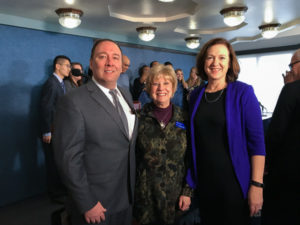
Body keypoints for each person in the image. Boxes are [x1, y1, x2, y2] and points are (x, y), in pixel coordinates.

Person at [53, 39, 138, 225]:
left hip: (126, 196)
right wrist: (87, 202)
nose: (110, 62)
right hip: (96, 204)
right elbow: (68, 158)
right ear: (91, 64)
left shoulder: (126, 94)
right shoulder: (73, 101)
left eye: (115, 57)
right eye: (102, 57)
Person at [186, 38, 266, 225]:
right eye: (210, 58)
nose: (215, 63)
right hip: (205, 182)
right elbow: (193, 140)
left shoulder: (243, 92)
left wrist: (257, 185)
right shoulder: (196, 95)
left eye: (222, 58)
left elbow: (257, 143)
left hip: (234, 184)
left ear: (230, 62)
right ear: (203, 62)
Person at [134, 64, 193, 225]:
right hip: (145, 199)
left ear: (173, 88)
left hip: (175, 199)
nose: (161, 88)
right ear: (148, 88)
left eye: (166, 83)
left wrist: (187, 192)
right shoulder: (137, 119)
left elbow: (191, 159)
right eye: (155, 83)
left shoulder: (185, 119)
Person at [262, 49, 300, 225]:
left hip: (287, 175)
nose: (290, 70)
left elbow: (276, 133)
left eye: (292, 65)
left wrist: (265, 164)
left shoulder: (291, 90)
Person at [40, 55, 71, 203]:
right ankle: (55, 194)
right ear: (57, 67)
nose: (69, 69)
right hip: (51, 131)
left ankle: (60, 190)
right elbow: (46, 108)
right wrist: (47, 131)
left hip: (59, 130)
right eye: (67, 66)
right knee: (52, 162)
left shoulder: (61, 83)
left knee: (59, 161)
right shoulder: (52, 83)